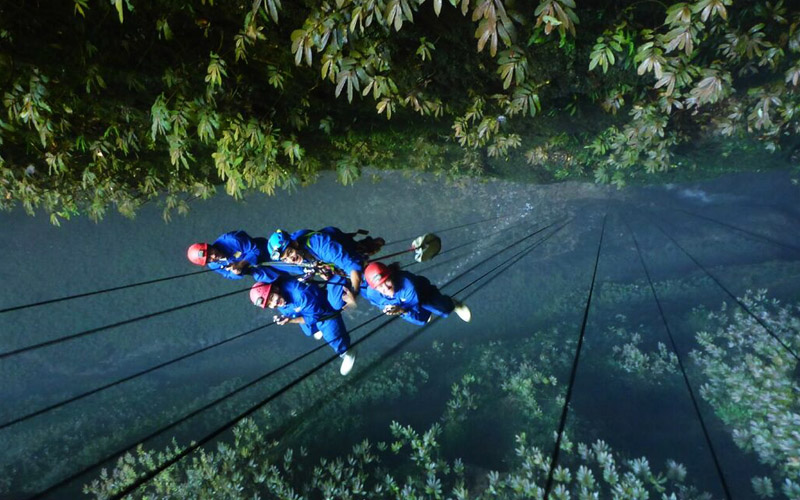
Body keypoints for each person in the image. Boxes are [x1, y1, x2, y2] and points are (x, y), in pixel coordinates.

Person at [250, 278, 356, 375]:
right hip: (306, 308)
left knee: (333, 337)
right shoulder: (281, 296)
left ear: (275, 288)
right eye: (269, 304)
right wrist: (288, 317)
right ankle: (317, 329)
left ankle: (346, 352)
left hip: (324, 311)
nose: (274, 303)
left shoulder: (299, 293)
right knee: (308, 331)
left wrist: (291, 320)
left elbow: (314, 317)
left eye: (272, 297)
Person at [267, 227, 383, 309]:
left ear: (295, 244)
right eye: (285, 259)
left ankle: (364, 248)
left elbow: (351, 266)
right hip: (333, 270)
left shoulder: (319, 244)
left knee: (370, 284)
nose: (290, 260)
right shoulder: (296, 257)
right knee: (336, 304)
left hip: (344, 256)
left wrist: (354, 291)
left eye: (290, 252)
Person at [362, 261, 472, 325]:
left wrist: (401, 309)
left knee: (443, 308)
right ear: (374, 288)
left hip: (423, 293)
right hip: (402, 303)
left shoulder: (408, 285)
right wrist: (398, 310)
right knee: (422, 319)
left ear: (391, 276)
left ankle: (452, 303)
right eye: (380, 286)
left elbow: (413, 305)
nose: (386, 287)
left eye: (387, 281)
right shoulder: (372, 294)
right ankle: (427, 314)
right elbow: (379, 303)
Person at [187, 230, 283, 283]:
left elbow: (256, 249)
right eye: (209, 259)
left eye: (210, 251)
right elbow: (228, 275)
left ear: (209, 245)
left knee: (290, 264)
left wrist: (241, 264)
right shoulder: (213, 265)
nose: (213, 256)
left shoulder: (231, 240)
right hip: (258, 271)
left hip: (267, 253)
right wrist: (236, 273)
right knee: (277, 284)